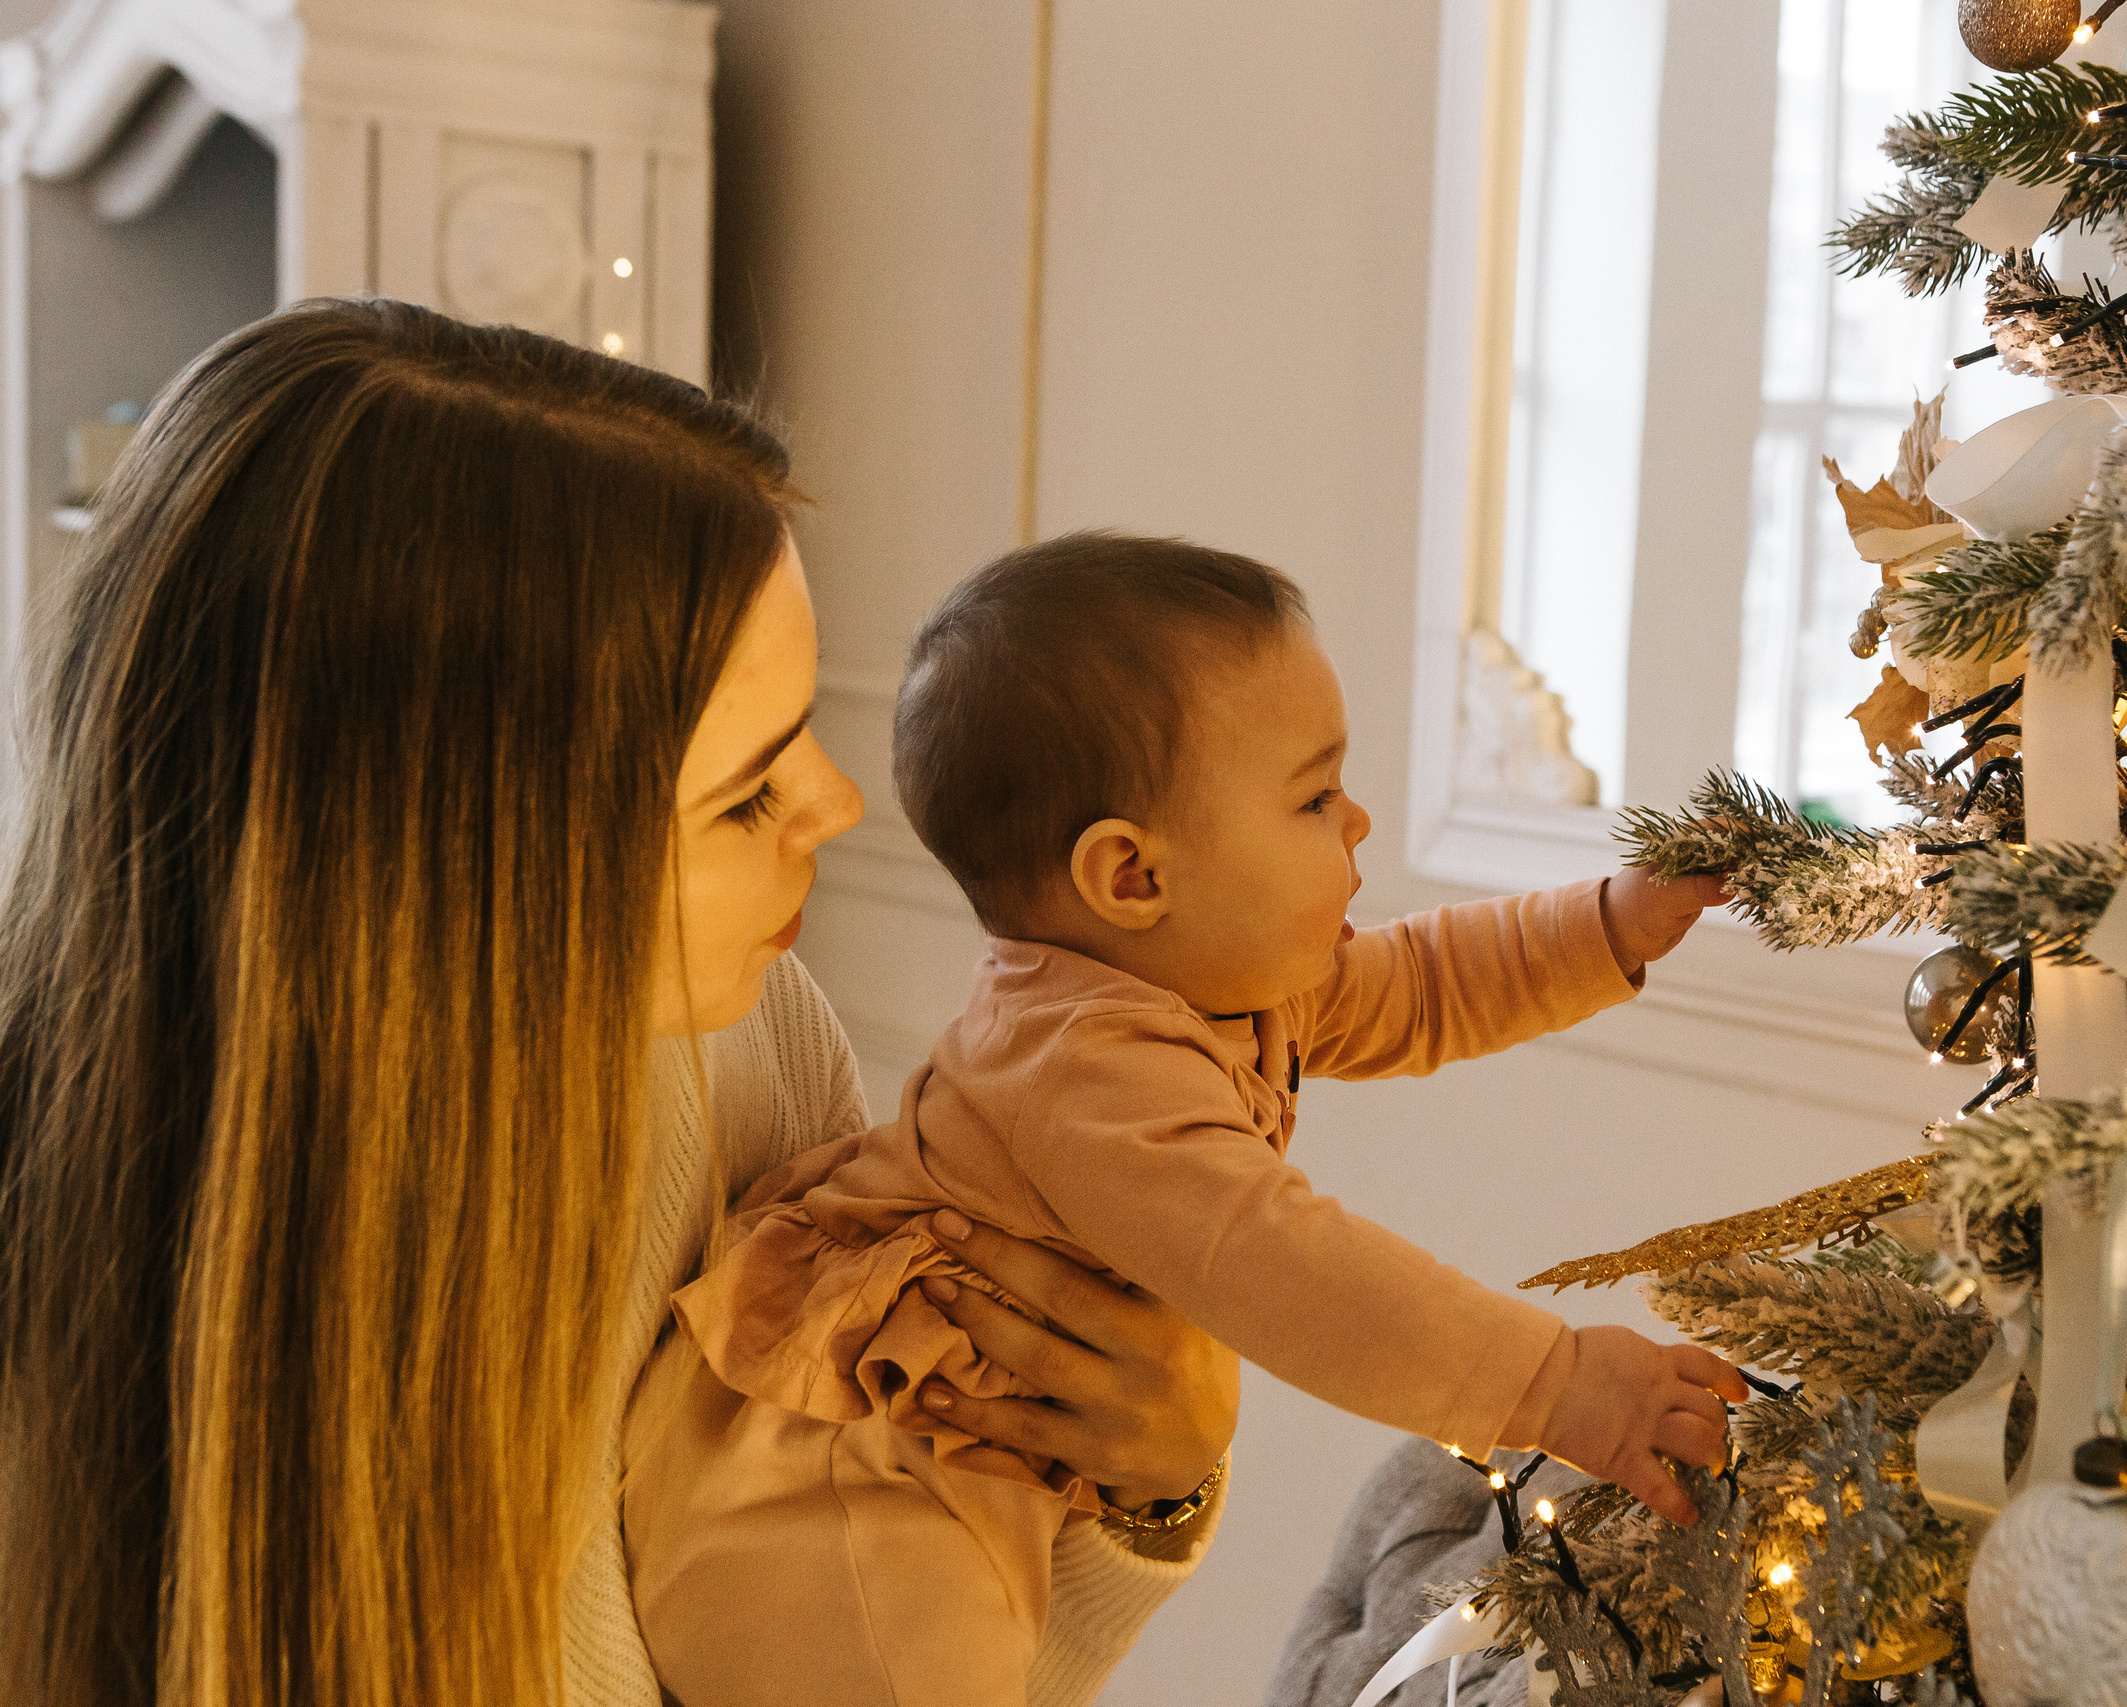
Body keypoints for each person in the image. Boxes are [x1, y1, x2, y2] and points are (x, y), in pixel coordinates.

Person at [0, 300, 1235, 1707]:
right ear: (450, 872)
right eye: (746, 794)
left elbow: (870, 1643)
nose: (838, 806)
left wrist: (1142, 1494)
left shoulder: (753, 1045)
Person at [628, 533, 1748, 1707]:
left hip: (960, 1457)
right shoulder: (1082, 1064)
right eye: (1313, 796)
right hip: (841, 1474)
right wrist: (1557, 1385)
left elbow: (1424, 984)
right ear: (1131, 878)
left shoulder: (1216, 988)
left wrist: (1609, 924)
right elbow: (1294, 1275)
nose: (1358, 820)